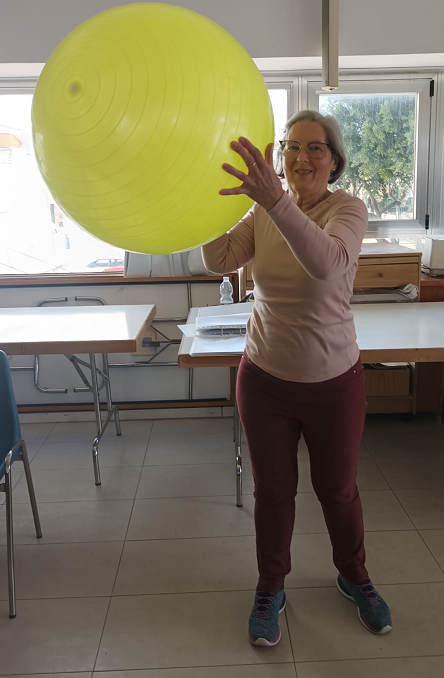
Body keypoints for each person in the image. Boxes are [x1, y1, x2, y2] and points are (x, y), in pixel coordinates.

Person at [201, 109, 392, 646]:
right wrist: (216, 207)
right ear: (279, 157)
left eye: (314, 147)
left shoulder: (347, 209)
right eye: (291, 146)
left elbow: (328, 264)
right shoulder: (265, 211)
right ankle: (270, 587)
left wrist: (274, 202)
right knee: (273, 493)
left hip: (334, 382)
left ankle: (355, 577)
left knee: (338, 492)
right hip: (264, 380)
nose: (300, 156)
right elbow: (218, 258)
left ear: (334, 160)